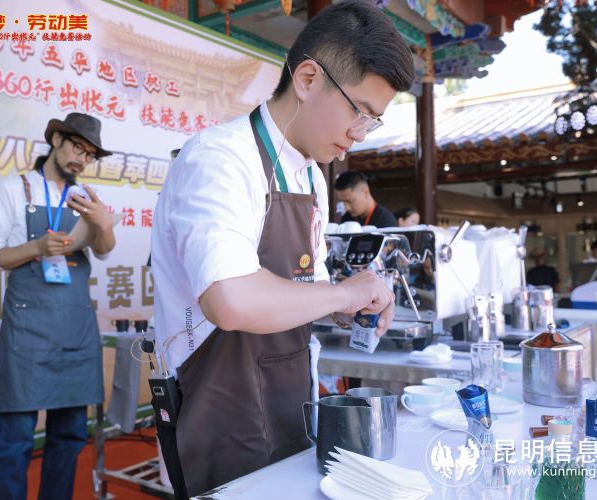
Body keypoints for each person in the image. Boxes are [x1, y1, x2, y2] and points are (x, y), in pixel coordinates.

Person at [150, 1, 413, 497]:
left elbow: (306, 289)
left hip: (289, 400)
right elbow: (230, 300)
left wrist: (348, 306)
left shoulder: (311, 176)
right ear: (309, 79)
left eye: (373, 122)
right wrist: (342, 293)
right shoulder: (220, 157)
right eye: (359, 112)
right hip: (217, 409)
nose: (358, 135)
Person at [0, 112, 116, 499]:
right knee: (15, 439)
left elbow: (104, 252)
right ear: (56, 140)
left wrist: (104, 224)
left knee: (69, 436)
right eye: (77, 148)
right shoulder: (14, 189)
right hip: (28, 329)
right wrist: (37, 247)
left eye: (89, 155)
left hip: (75, 327)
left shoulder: (84, 198)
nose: (81, 159)